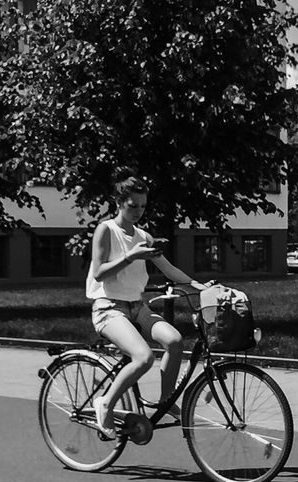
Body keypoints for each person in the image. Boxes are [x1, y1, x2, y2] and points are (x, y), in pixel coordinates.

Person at [88, 174, 208, 438]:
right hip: (108, 308)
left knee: (175, 340)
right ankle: (105, 403)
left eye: (142, 206)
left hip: (136, 306)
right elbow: (99, 273)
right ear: (118, 202)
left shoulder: (144, 236)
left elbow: (168, 268)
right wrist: (132, 256)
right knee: (143, 358)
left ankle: (166, 400)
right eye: (132, 206)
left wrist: (197, 286)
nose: (138, 212)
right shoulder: (106, 230)